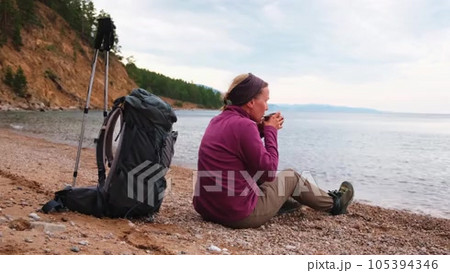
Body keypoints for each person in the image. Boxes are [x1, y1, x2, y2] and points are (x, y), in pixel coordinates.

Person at [193, 73, 354, 229]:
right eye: (265, 100)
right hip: (237, 215)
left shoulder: (217, 120)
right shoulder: (245, 126)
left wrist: (261, 130)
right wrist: (270, 131)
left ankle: (281, 203)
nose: (267, 107)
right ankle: (336, 204)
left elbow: (240, 147)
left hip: (208, 209)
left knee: (256, 170)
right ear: (251, 102)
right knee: (291, 177)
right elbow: (269, 172)